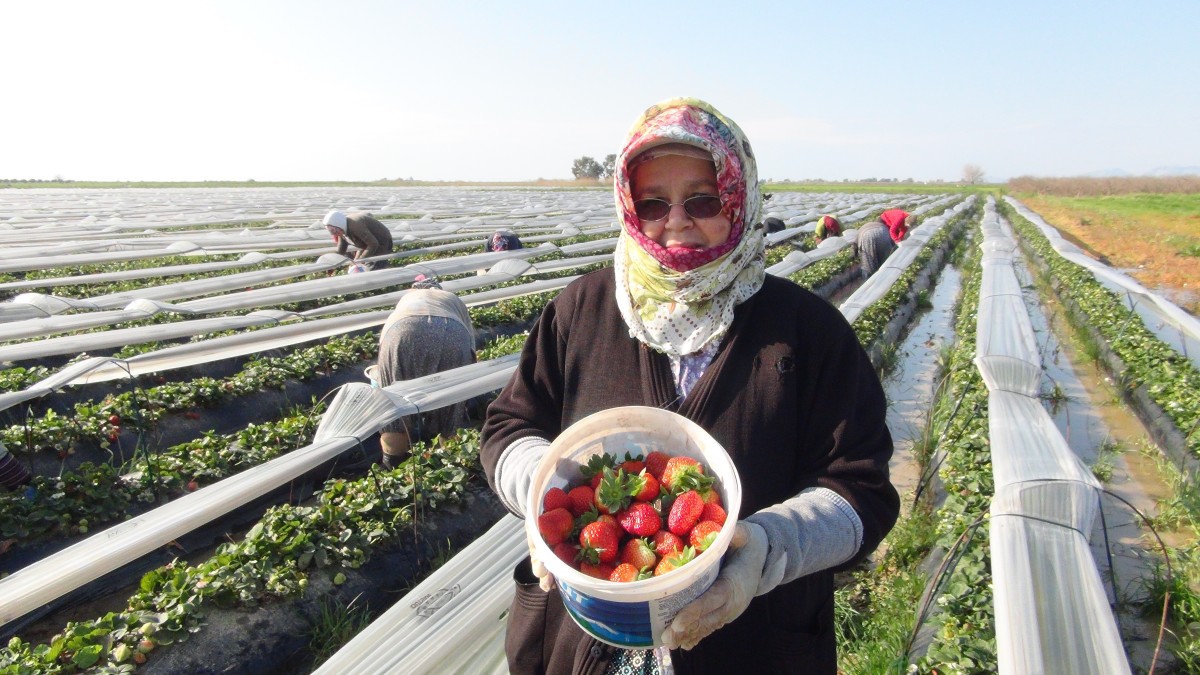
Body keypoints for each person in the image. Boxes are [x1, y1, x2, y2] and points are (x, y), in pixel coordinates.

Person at [482, 98, 898, 674]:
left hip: (753, 648)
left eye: (702, 199)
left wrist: (766, 550)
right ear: (628, 206)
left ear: (741, 196)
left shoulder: (809, 333)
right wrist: (539, 488)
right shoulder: (581, 310)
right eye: (652, 202)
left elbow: (862, 492)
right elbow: (510, 425)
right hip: (585, 644)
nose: (675, 219)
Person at [376, 277, 476, 468]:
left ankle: (393, 464)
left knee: (393, 404)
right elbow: (471, 353)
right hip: (452, 331)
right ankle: (449, 462)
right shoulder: (451, 299)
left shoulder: (405, 301)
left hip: (402, 331)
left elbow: (384, 354)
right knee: (450, 401)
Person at [323, 209, 395, 271]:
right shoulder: (342, 230)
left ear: (338, 225)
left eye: (334, 230)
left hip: (381, 243)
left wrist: (361, 260)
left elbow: (373, 244)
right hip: (366, 245)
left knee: (373, 267)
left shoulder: (355, 225)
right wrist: (333, 264)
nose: (335, 234)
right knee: (357, 265)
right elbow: (341, 249)